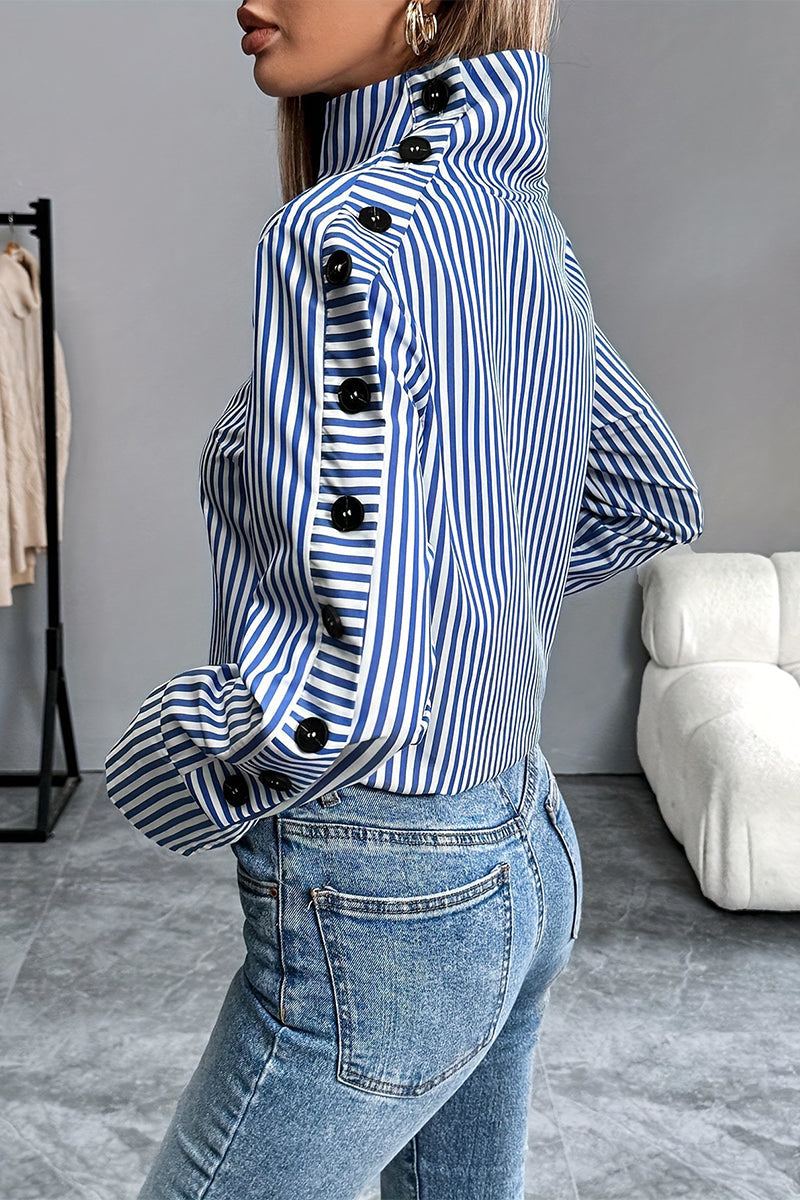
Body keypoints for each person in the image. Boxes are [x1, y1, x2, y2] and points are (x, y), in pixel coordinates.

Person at [105, 0, 705, 1196]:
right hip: (519, 839)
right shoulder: (514, 220)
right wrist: (465, 614)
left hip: (385, 895)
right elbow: (651, 495)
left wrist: (169, 764)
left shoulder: (342, 235)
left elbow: (342, 697)